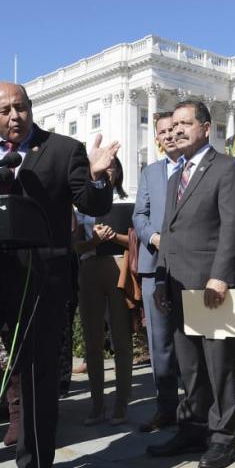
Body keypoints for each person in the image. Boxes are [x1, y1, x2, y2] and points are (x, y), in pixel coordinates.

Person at [0, 81, 117, 468]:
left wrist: (100, 178)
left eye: (21, 107)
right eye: (5, 110)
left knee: (36, 374)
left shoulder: (64, 149)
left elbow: (92, 204)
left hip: (41, 278)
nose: (15, 116)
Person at [146, 100, 235, 468]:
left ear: (206, 127)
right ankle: (192, 427)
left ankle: (222, 437)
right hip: (175, 283)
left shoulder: (227, 169)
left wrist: (220, 276)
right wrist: (160, 278)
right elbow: (169, 232)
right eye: (173, 127)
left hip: (211, 284)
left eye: (185, 124)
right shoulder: (176, 176)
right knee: (189, 365)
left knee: (218, 365)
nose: (176, 131)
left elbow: (233, 227)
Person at [74, 157, 135, 426]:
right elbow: (76, 248)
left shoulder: (128, 200)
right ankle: (96, 404)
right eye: (101, 168)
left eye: (113, 168)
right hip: (88, 270)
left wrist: (113, 237)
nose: (108, 172)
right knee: (92, 342)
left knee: (122, 340)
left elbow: (135, 242)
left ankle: (121, 405)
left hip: (120, 270)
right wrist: (94, 240)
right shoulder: (80, 208)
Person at [133, 112, 183, 433]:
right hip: (155, 266)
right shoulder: (150, 172)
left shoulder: (202, 168)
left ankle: (201, 409)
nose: (167, 136)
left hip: (194, 268)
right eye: (161, 132)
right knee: (160, 342)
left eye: (172, 130)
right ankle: (166, 408)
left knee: (197, 340)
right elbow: (140, 214)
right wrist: (153, 237)